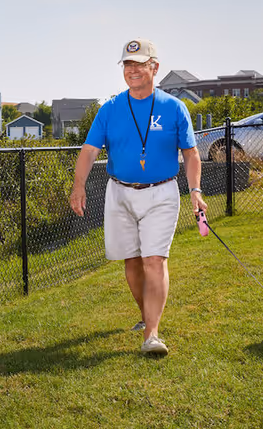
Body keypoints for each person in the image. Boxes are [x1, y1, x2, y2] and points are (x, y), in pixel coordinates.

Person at [69, 38, 207, 355]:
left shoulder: (174, 108)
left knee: (154, 260)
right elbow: (89, 151)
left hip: (162, 192)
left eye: (139, 64)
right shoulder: (110, 109)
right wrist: (78, 185)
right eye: (127, 65)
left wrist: (196, 191)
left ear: (154, 67)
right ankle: (147, 317)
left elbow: (191, 154)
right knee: (132, 262)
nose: (132, 70)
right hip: (119, 193)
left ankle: (152, 334)